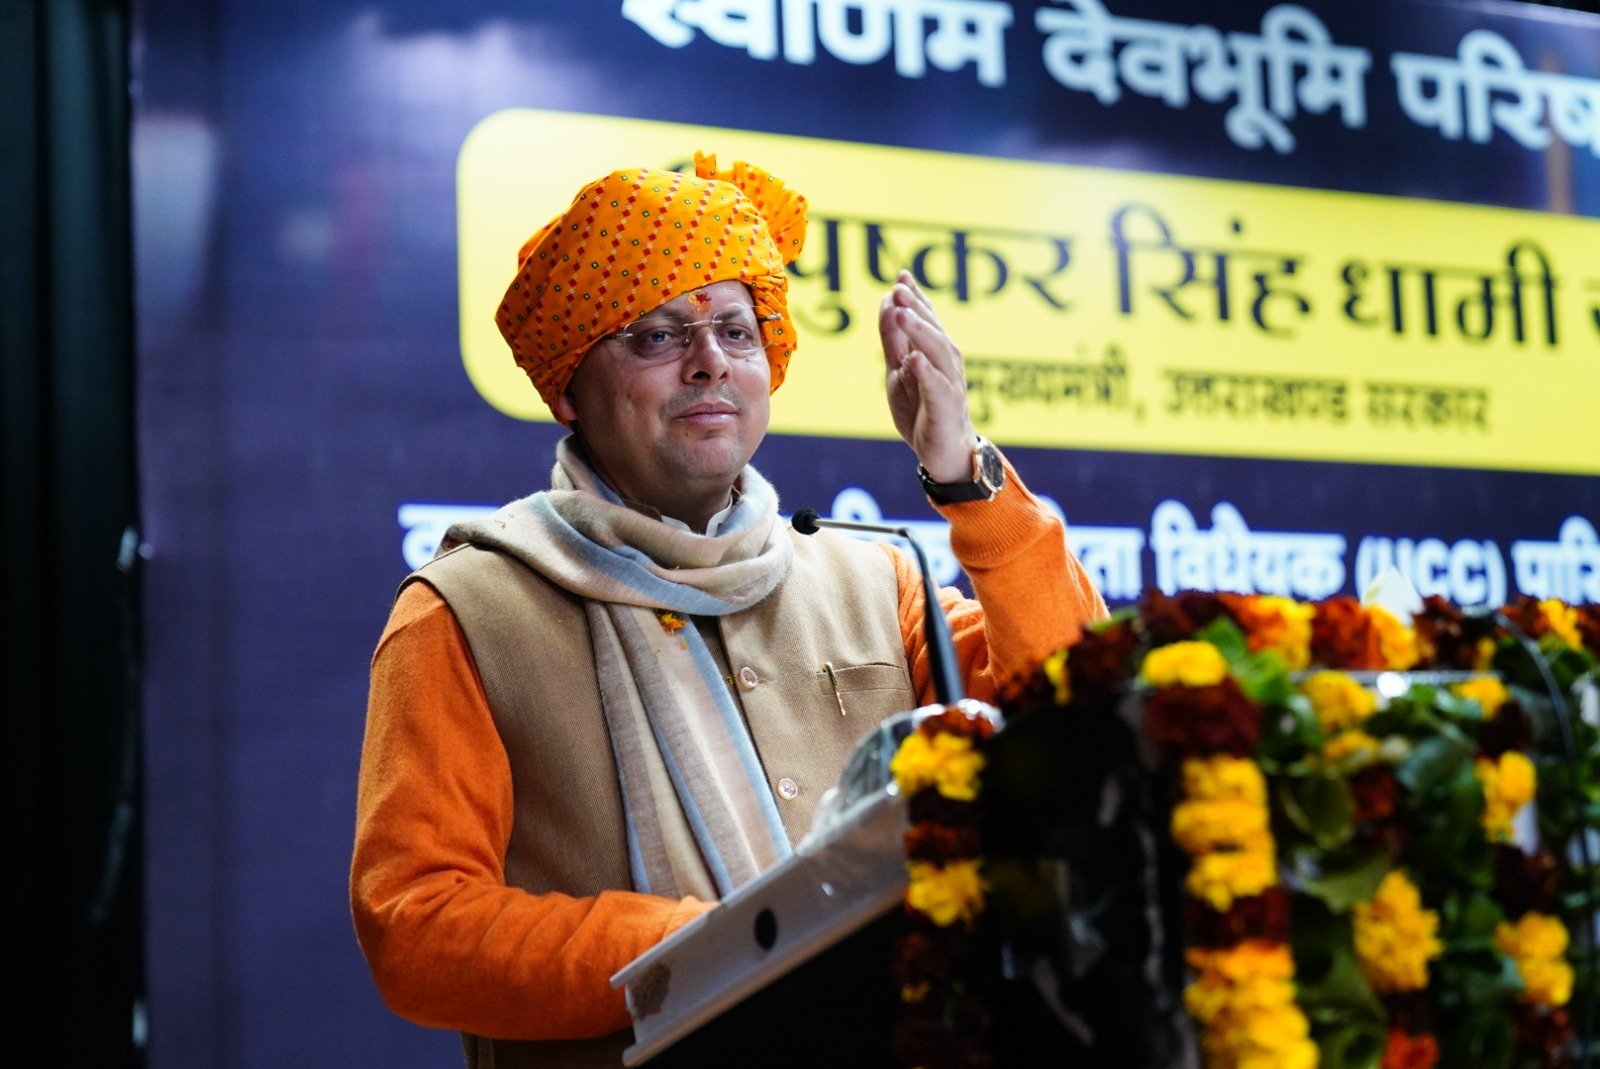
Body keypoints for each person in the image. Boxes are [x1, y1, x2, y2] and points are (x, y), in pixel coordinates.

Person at [351, 153, 1107, 1069]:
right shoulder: (468, 611)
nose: (710, 360)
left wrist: (965, 478)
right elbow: (418, 925)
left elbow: (1078, 713)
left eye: (738, 333)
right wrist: (721, 949)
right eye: (657, 335)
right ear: (567, 391)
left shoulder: (875, 578)